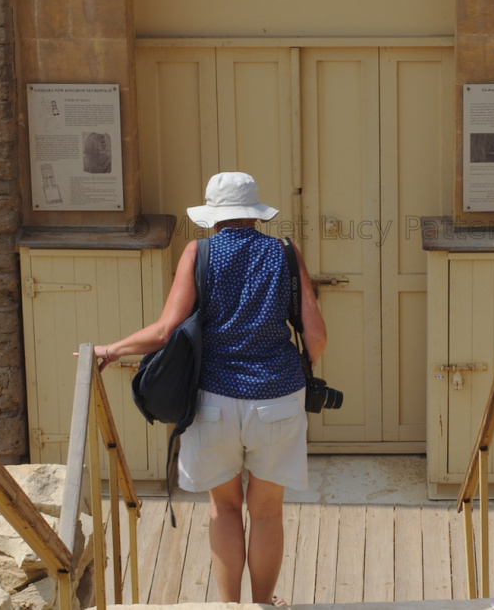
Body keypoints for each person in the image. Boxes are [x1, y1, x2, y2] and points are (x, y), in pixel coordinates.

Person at [92, 172, 327, 605]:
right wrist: (302, 372)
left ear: (212, 217)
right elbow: (315, 335)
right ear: (255, 214)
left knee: (224, 509)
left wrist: (111, 349)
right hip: (277, 399)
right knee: (268, 512)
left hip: (214, 402)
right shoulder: (284, 253)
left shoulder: (199, 253)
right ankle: (262, 603)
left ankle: (229, 606)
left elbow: (165, 330)